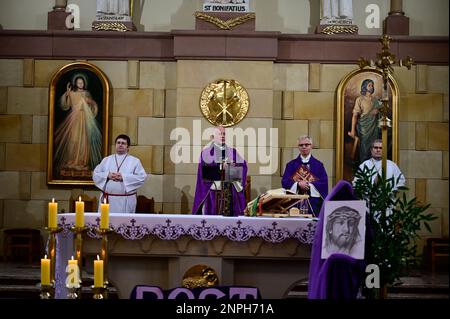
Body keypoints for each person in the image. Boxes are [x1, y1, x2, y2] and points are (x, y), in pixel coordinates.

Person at [192, 126, 248, 216]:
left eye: (224, 134)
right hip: (213, 192)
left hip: (230, 191)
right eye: (219, 134)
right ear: (213, 137)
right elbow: (204, 172)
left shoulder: (232, 152)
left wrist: (233, 166)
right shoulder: (206, 153)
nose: (222, 136)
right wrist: (222, 167)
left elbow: (244, 165)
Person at [54, 75, 102, 175]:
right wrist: (67, 94)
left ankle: (82, 161)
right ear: (75, 83)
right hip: (74, 119)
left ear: (84, 83)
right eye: (79, 82)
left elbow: (91, 105)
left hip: (84, 118)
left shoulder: (86, 93)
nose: (80, 84)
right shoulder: (72, 93)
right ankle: (72, 160)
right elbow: (66, 105)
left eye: (82, 82)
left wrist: (90, 103)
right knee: (73, 139)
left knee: (84, 140)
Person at [93, 134, 148, 213]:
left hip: (125, 200)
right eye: (118, 143)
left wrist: (123, 177)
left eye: (123, 143)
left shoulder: (135, 161)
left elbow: (142, 177)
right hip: (108, 200)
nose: (120, 145)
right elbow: (96, 174)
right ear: (115, 145)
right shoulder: (106, 160)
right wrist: (107, 175)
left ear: (128, 147)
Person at [281, 136, 328, 217]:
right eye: (301, 145)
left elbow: (324, 183)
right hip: (295, 203)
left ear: (311, 146)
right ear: (298, 147)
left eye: (307, 144)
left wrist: (309, 185)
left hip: (313, 203)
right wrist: (298, 185)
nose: (304, 147)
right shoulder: (291, 165)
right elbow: (284, 182)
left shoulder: (318, 165)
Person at [348, 79, 383, 164]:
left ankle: (374, 167)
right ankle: (364, 168)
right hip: (364, 127)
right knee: (364, 149)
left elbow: (383, 112)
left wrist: (379, 111)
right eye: (369, 85)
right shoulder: (360, 99)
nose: (371, 87)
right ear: (365, 87)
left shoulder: (376, 100)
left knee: (374, 147)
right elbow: (355, 115)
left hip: (374, 127)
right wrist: (352, 130)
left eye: (372, 85)